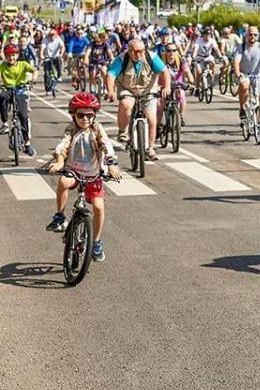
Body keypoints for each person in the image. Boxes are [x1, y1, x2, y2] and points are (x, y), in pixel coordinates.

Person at [45, 92, 120, 261]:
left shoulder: (97, 129)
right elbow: (63, 145)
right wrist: (59, 162)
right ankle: (60, 217)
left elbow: (106, 146)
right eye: (80, 115)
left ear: (94, 115)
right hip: (74, 171)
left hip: (93, 174)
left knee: (99, 207)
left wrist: (111, 165)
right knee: (63, 181)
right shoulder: (71, 129)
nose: (85, 119)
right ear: (73, 114)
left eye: (89, 115)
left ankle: (96, 242)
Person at [106, 37, 170, 160]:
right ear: (129, 51)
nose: (138, 54)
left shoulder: (151, 57)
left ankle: (150, 148)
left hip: (148, 90)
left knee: (151, 118)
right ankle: (123, 131)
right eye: (134, 51)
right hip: (127, 89)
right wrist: (110, 90)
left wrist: (166, 87)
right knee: (126, 105)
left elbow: (164, 71)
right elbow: (111, 74)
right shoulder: (122, 59)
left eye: (140, 51)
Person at [234, 26, 260, 122]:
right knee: (244, 85)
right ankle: (242, 108)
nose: (252, 36)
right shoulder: (241, 47)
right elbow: (236, 62)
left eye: (255, 35)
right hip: (245, 74)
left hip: (258, 75)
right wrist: (237, 72)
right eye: (250, 34)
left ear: (258, 36)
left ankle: (258, 120)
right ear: (246, 35)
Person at [0, 44, 37, 155]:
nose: (11, 58)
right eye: (9, 56)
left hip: (21, 91)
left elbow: (34, 71)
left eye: (13, 55)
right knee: (1, 97)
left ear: (17, 55)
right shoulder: (2, 66)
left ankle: (27, 143)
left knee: (23, 116)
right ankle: (5, 123)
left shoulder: (23, 64)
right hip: (8, 89)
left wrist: (33, 79)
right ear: (5, 56)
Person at [159, 42, 193, 126]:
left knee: (181, 94)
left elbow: (187, 72)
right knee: (160, 103)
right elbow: (155, 74)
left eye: (174, 50)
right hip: (163, 83)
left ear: (177, 51)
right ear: (165, 51)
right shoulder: (160, 60)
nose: (171, 53)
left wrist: (192, 82)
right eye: (169, 50)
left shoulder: (181, 60)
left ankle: (180, 116)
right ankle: (158, 124)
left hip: (177, 83)